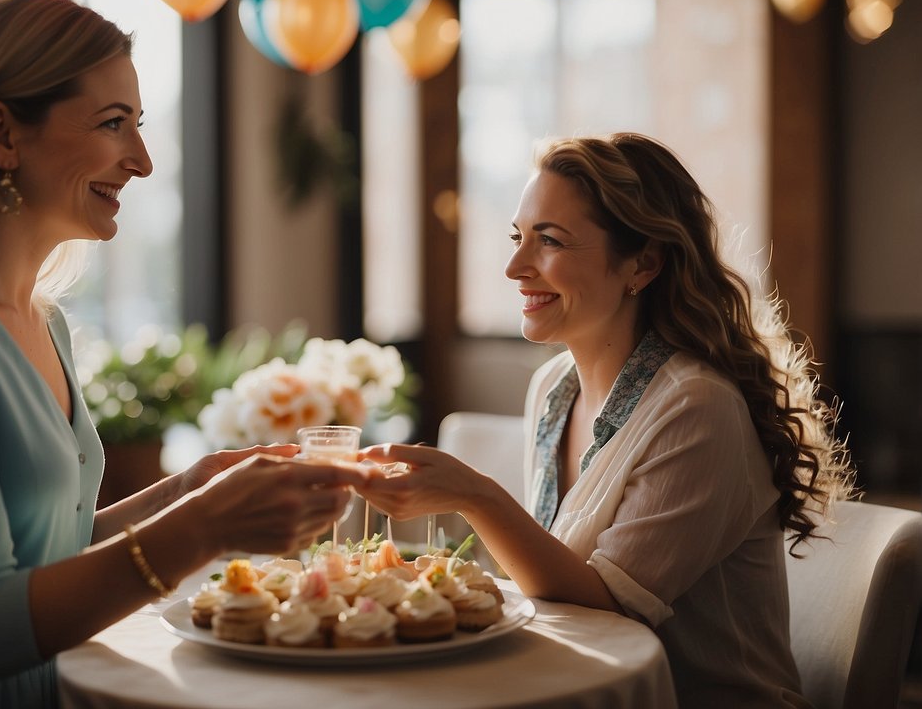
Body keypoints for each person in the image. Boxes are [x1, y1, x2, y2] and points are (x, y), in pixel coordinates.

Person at [0, 0, 364, 707]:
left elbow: (40, 553)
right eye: (112, 124)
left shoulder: (44, 322)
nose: (143, 161)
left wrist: (188, 491)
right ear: (2, 133)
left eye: (138, 124)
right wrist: (204, 527)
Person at [357, 133, 853, 708]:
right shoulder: (552, 389)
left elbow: (612, 611)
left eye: (550, 241)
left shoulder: (696, 408)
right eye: (519, 237)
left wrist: (475, 495)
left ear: (641, 263)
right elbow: (552, 593)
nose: (515, 266)